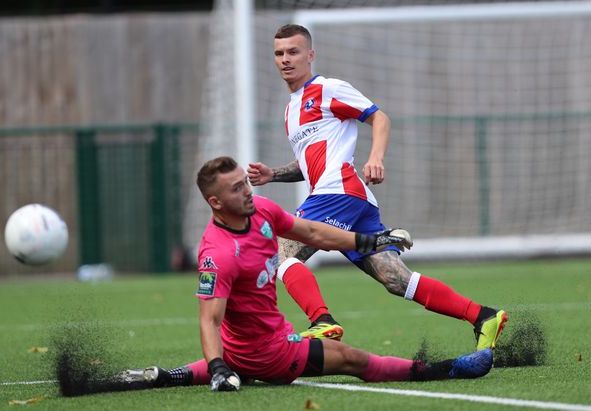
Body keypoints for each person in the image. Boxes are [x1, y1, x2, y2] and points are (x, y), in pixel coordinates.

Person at [117, 156, 493, 392]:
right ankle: (447, 370)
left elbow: (312, 232)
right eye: (236, 189)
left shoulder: (260, 210)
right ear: (215, 203)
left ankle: (170, 376)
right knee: (354, 360)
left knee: (241, 360)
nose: (247, 192)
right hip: (269, 353)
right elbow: (208, 320)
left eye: (245, 183)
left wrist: (369, 240)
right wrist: (217, 367)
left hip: (249, 346)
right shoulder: (217, 255)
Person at [246, 24, 507, 349]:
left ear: (310, 55)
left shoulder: (327, 89)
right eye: (279, 53)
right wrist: (273, 174)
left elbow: (379, 118)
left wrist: (376, 158)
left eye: (293, 52)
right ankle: (483, 316)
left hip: (337, 193)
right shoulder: (291, 111)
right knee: (397, 280)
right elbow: (308, 162)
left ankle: (322, 321)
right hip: (351, 200)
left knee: (278, 251)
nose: (286, 59)